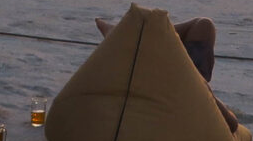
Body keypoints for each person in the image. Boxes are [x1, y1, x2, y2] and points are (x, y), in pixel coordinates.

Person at [94, 16, 238, 133]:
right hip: (181, 81)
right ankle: (128, 35)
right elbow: (232, 125)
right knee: (204, 25)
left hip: (168, 79)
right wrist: (209, 94)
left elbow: (230, 124)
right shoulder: (197, 94)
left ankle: (126, 35)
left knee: (204, 25)